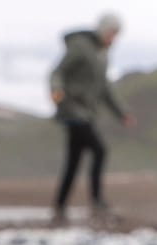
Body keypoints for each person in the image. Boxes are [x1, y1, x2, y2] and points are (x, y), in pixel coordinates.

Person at [49, 13, 132, 225]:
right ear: (103, 30)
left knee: (74, 161)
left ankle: (60, 204)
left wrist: (121, 113)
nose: (113, 39)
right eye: (112, 33)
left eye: (116, 35)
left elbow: (105, 89)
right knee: (99, 150)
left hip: (88, 113)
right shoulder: (80, 47)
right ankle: (96, 200)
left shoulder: (102, 55)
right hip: (73, 110)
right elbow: (58, 72)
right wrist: (57, 92)